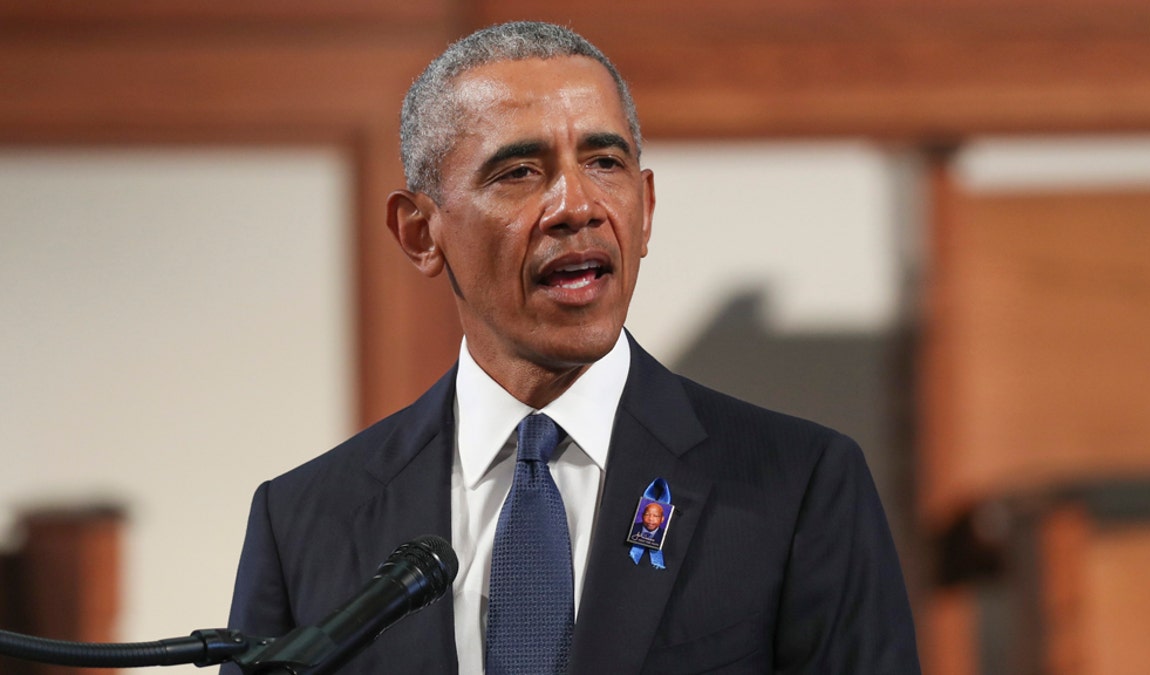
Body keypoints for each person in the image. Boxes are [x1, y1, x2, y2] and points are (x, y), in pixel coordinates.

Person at [223, 20, 921, 675]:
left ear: (645, 211)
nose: (578, 205)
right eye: (520, 172)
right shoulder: (304, 521)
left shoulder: (798, 486)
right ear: (419, 233)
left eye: (605, 161)